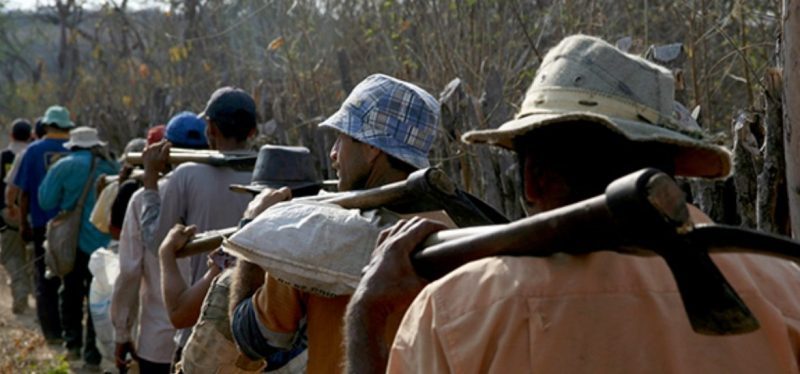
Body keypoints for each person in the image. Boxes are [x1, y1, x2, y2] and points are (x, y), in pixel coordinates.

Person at [344, 35, 800, 373]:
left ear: (532, 178)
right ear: (669, 165)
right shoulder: (784, 287)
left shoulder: (457, 312)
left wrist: (366, 317)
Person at [226, 74, 440, 373]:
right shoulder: (455, 231)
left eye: (342, 137)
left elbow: (253, 339)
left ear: (371, 148)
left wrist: (254, 227)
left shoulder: (317, 234)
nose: (333, 154)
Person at [144, 94, 255, 367]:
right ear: (253, 131)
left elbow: (155, 242)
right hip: (258, 337)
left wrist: (150, 183)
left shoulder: (187, 175)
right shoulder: (274, 175)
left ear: (211, 129)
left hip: (202, 330)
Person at [111, 117, 209, 374]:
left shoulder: (143, 198)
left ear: (166, 151)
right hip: (213, 343)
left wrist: (122, 332)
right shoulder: (230, 191)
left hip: (158, 340)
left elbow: (130, 272)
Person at [38, 126, 119, 369]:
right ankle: (93, 355)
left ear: (73, 145)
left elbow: (46, 200)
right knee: (99, 298)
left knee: (70, 293)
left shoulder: (64, 165)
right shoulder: (111, 167)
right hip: (105, 244)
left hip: (73, 243)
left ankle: (72, 346)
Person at [14, 106, 74, 343]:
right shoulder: (76, 150)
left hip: (42, 224)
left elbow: (24, 193)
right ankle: (72, 330)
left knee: (45, 277)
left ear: (47, 126)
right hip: (73, 226)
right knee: (71, 278)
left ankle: (52, 333)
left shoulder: (33, 151)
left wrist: (23, 223)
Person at [0, 119, 33, 314]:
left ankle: (20, 292)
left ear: (11, 135)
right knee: (34, 255)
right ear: (30, 135)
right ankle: (37, 296)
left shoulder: (3, 157)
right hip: (34, 215)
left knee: (11, 255)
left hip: (9, 214)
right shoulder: (33, 155)